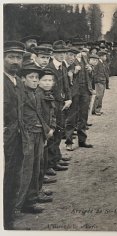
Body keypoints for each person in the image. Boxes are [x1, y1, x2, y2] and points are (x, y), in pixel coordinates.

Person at [16, 62, 51, 215]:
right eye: (31, 77)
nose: (35, 80)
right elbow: (18, 116)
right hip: (27, 135)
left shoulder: (35, 92)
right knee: (26, 169)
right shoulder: (20, 93)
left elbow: (39, 113)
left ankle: (32, 198)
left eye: (37, 77)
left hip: (38, 133)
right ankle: (19, 205)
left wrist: (46, 130)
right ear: (23, 79)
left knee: (37, 166)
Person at [3, 41, 26, 229]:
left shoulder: (18, 82)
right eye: (11, 57)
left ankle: (9, 216)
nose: (15, 61)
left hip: (16, 138)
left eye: (19, 58)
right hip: (5, 138)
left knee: (13, 177)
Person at [46, 40, 72, 172]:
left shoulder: (63, 66)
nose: (62, 55)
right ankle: (50, 162)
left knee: (60, 131)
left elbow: (66, 85)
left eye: (64, 52)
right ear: (53, 53)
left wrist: (69, 99)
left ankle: (56, 157)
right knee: (54, 131)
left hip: (62, 103)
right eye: (59, 53)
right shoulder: (49, 68)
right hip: (53, 104)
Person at [36, 68, 57, 197]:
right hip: (41, 132)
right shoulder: (38, 95)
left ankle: (39, 188)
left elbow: (52, 114)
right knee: (38, 162)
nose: (48, 83)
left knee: (43, 160)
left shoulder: (48, 94)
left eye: (50, 80)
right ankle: (36, 191)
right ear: (39, 81)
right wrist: (47, 130)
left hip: (47, 131)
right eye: (45, 80)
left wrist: (52, 127)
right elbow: (39, 115)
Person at [63, 47, 82, 151]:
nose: (72, 57)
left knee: (71, 119)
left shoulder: (75, 66)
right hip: (62, 97)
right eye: (70, 55)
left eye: (74, 56)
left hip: (73, 95)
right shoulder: (61, 66)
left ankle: (69, 141)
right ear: (65, 54)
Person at [92, 51, 108, 115]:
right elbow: (95, 73)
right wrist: (97, 81)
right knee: (99, 96)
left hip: (102, 81)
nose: (105, 57)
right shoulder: (98, 63)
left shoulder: (102, 63)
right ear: (101, 57)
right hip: (99, 82)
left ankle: (96, 109)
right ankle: (96, 110)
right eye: (104, 56)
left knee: (100, 96)